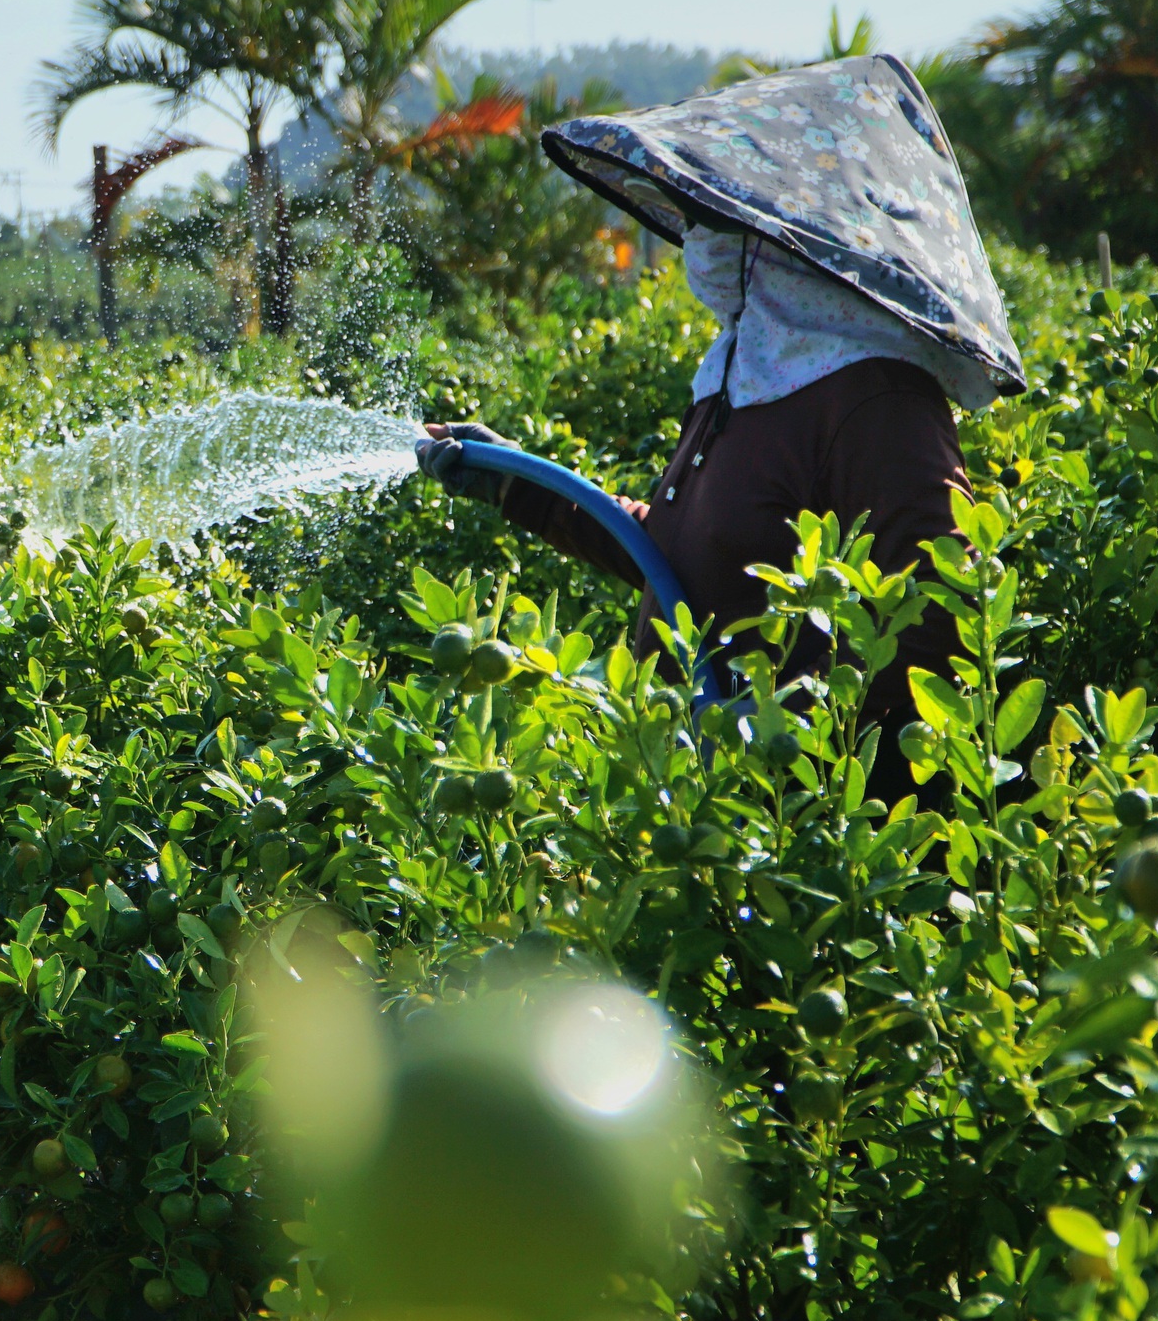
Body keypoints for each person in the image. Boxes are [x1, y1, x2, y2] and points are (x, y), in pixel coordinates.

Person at [415, 55, 1025, 800]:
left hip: (804, 829)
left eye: (716, 215)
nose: (699, 237)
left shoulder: (876, 401)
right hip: (705, 810)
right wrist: (518, 483)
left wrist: (785, 729)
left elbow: (943, 619)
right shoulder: (749, 376)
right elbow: (681, 562)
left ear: (792, 234)